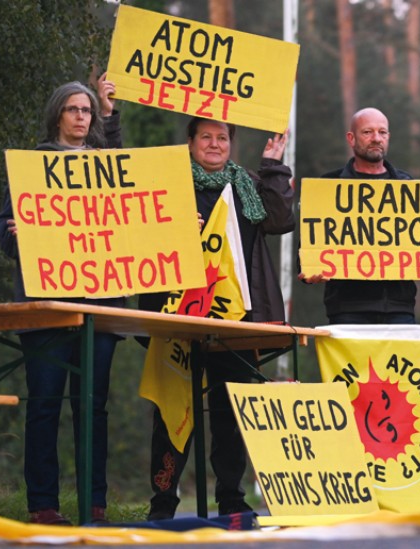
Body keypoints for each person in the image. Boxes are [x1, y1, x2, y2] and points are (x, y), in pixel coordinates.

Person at [143, 117, 295, 520]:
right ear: (190, 142)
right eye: (206, 137)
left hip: (234, 322)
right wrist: (172, 227)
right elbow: (137, 233)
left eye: (222, 138)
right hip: (176, 316)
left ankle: (231, 500)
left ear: (231, 144)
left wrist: (273, 165)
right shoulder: (169, 183)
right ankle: (162, 503)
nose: (214, 144)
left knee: (229, 412)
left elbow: (280, 220)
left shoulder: (246, 184)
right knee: (171, 413)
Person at [0, 75, 122, 526]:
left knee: (93, 406)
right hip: (46, 306)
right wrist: (14, 238)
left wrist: (111, 111)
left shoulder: (107, 165)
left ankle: (94, 504)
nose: (81, 117)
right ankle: (42, 506)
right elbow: (3, 226)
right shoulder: (31, 165)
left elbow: (135, 205)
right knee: (45, 403)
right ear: (57, 115)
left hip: (99, 306)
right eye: (73, 109)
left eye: (86, 110)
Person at [304, 107, 416, 324]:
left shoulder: (407, 185)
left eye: (382, 133)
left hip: (398, 308)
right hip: (347, 309)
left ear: (389, 137)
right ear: (351, 138)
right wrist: (308, 269)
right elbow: (311, 240)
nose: (376, 138)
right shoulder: (328, 185)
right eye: (367, 132)